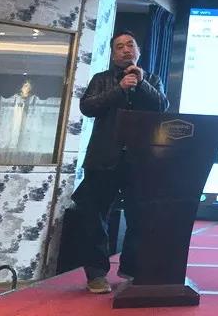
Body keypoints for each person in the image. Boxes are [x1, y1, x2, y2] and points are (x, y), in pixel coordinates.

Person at [72, 30, 169, 294]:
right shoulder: (101, 79)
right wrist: (120, 88)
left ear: (138, 51)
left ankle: (132, 269)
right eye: (119, 47)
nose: (126, 50)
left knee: (140, 216)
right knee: (95, 218)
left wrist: (141, 82)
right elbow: (88, 107)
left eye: (130, 45)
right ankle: (96, 274)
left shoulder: (152, 79)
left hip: (140, 160)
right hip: (103, 159)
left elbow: (162, 106)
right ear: (113, 54)